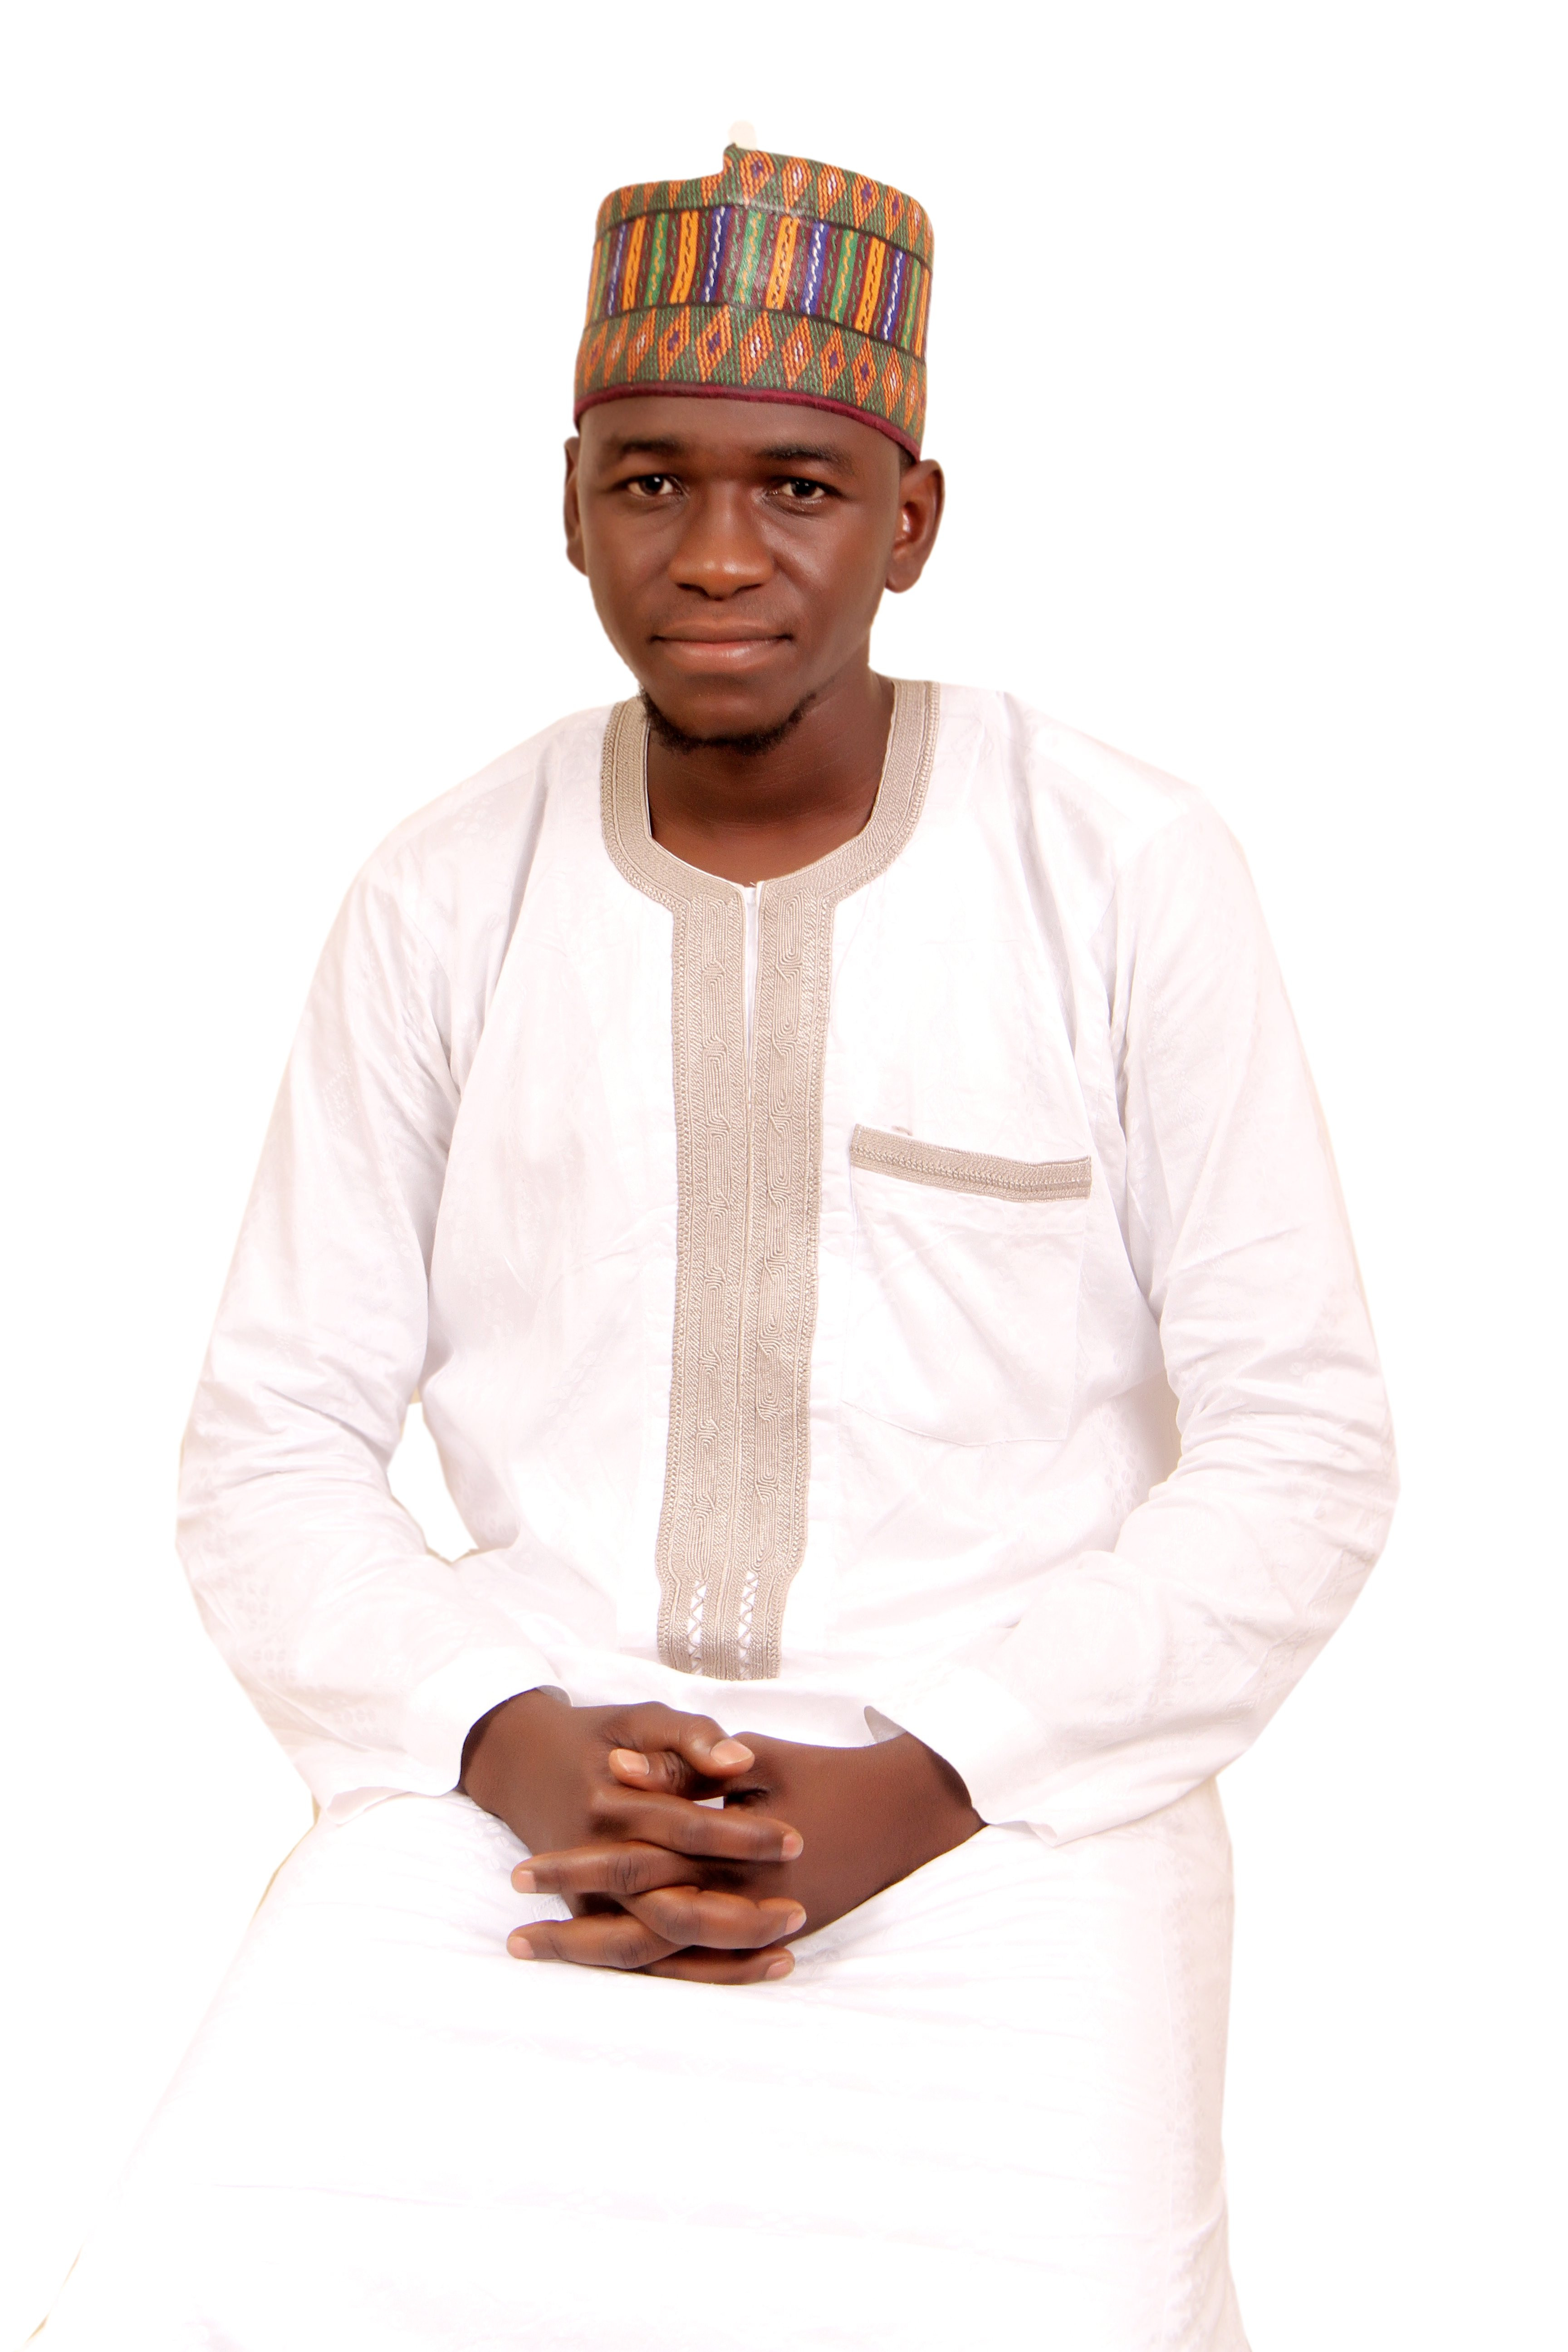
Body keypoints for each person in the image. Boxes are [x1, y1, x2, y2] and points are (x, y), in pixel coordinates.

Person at [39, 142, 1396, 2350]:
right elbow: (269, 1444)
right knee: (187, 2290)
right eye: (651, 483)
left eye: (800, 489)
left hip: (1013, 1828)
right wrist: (510, 1738)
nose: (720, 555)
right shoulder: (444, 890)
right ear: (568, 507)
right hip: (521, 1808)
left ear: (913, 523)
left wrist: (929, 1775)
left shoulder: (1124, 867)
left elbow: (1303, 1449)